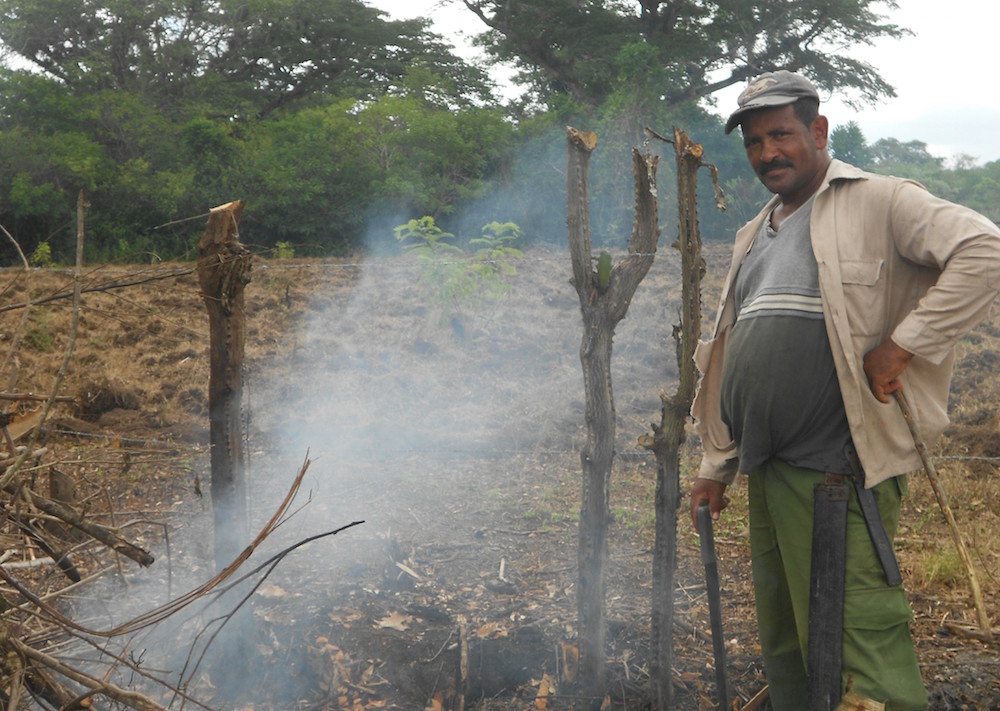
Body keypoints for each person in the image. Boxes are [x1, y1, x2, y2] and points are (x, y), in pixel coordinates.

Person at [688, 70, 1000, 710]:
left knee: (857, 642)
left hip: (839, 473)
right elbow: (728, 352)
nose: (768, 153)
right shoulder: (755, 233)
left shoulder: (880, 200)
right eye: (754, 142)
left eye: (781, 134)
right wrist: (717, 465)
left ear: (819, 130)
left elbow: (985, 251)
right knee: (788, 642)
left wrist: (903, 345)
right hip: (768, 469)